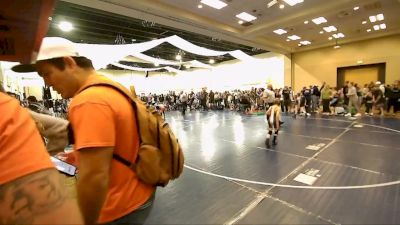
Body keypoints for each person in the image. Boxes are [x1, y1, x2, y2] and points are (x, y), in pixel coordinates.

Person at [12, 37, 155, 225]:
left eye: (47, 74)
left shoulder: (88, 100)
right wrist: (82, 155)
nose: (47, 84)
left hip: (117, 206)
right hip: (139, 192)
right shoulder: (111, 87)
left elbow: (94, 178)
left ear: (69, 63)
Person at [0, 92, 83, 224]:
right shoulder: (11, 111)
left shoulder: (7, 110)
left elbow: (62, 130)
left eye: (46, 73)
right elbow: (62, 129)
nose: (48, 81)